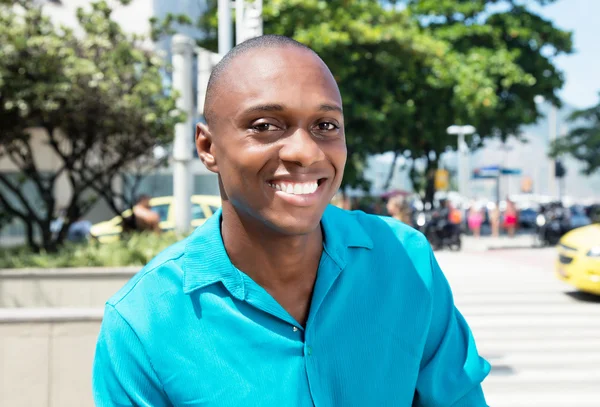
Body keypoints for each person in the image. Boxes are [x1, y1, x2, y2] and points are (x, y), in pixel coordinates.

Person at [92, 35, 489, 406]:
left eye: (325, 126)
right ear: (207, 147)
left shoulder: (405, 261)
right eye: (265, 126)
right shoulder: (143, 322)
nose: (305, 152)